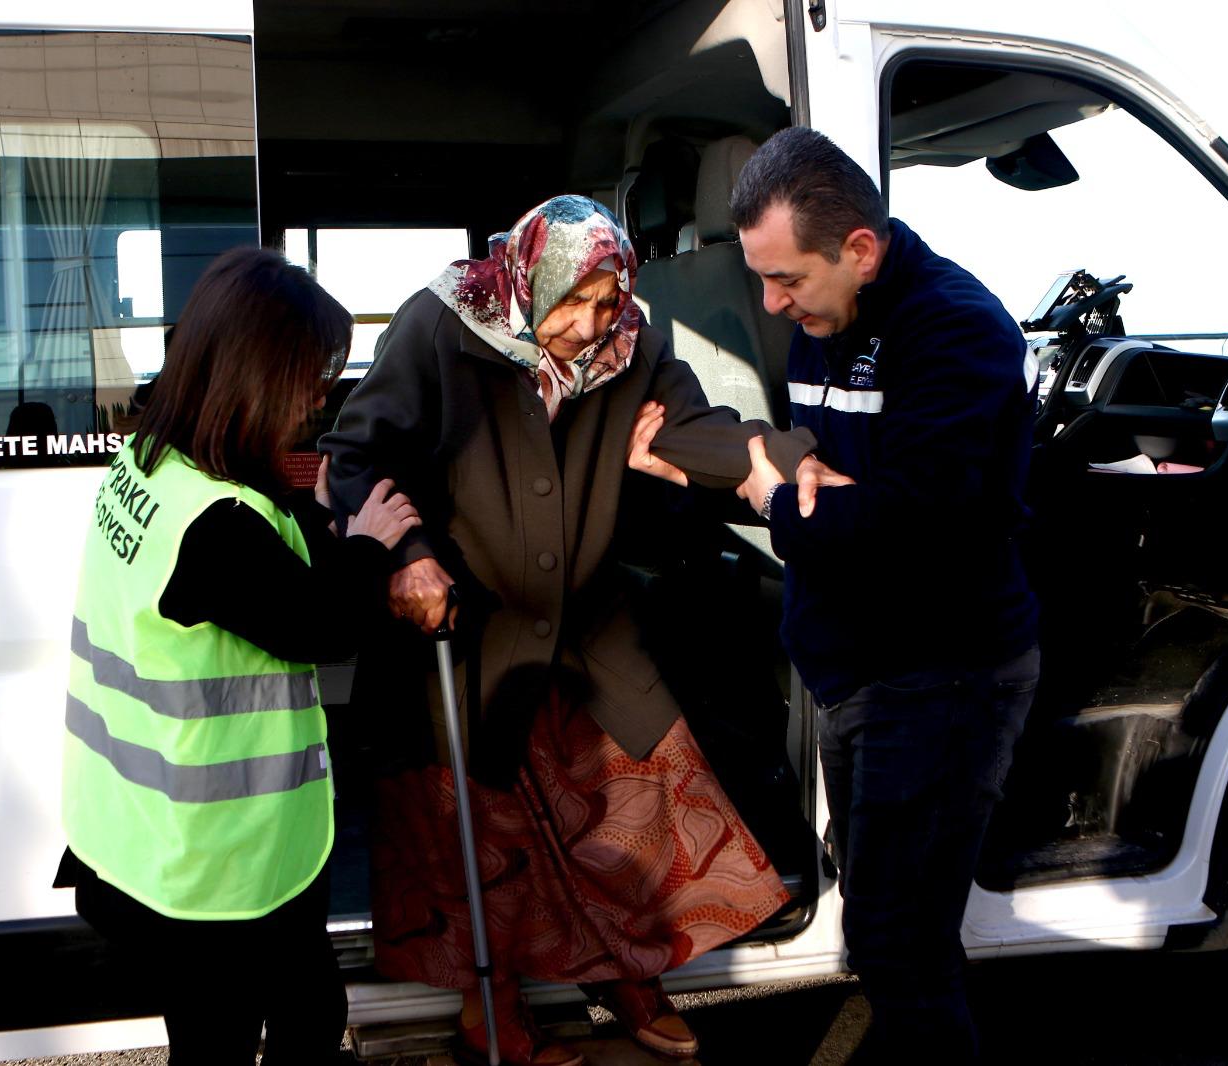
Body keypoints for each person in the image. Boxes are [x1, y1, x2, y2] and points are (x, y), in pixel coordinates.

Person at [320, 194, 817, 1065]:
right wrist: (408, 557)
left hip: (582, 615)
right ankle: (491, 1002)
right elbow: (358, 453)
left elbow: (694, 428)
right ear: (530, 273)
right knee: (481, 831)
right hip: (466, 622)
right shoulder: (442, 326)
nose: (590, 325)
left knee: (638, 796)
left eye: (607, 301)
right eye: (575, 302)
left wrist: (774, 460)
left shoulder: (635, 340)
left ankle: (625, 969)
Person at [55, 247, 420, 1065]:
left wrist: (318, 516)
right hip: (221, 866)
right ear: (254, 375)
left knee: (297, 1008)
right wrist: (364, 547)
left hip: (141, 837)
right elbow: (317, 629)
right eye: (309, 378)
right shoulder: (216, 527)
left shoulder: (149, 464)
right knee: (231, 1039)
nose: (319, 397)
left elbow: (257, 572)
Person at [727, 126, 1040, 1061]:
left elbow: (905, 528)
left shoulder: (954, 329)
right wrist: (802, 469)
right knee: (884, 925)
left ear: (859, 248)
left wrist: (775, 495)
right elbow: (830, 469)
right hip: (858, 670)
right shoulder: (830, 316)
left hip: (941, 679)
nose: (776, 306)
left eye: (788, 281)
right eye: (763, 280)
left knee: (897, 947)